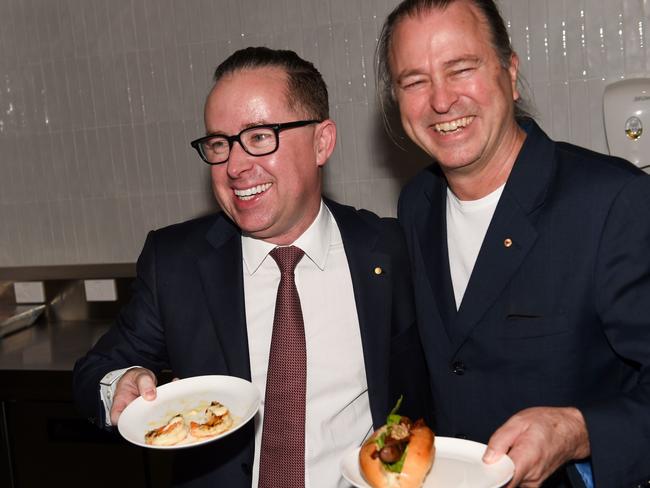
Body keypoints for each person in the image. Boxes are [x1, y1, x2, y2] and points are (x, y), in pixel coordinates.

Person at [73, 47, 431, 488]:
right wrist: (120, 385)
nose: (235, 166)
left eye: (260, 136)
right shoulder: (177, 263)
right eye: (219, 144)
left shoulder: (390, 252)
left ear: (322, 142)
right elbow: (97, 370)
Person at [376, 0, 650, 487]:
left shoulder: (614, 202)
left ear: (510, 72)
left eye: (461, 69)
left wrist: (578, 431)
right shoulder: (416, 204)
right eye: (414, 81)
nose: (441, 101)